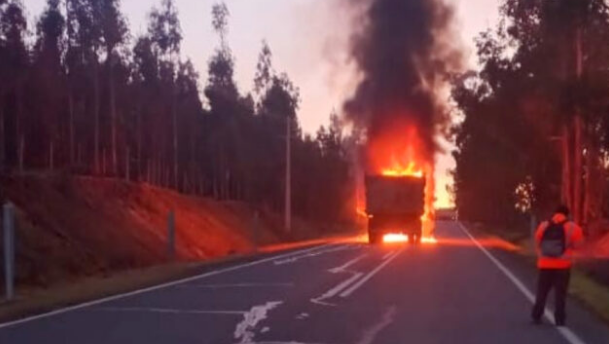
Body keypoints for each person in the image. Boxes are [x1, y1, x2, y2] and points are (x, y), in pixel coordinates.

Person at [531, 205, 584, 327]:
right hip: (563, 266)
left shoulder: (544, 225)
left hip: (545, 265)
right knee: (560, 294)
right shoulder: (573, 227)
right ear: (567, 214)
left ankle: (536, 315)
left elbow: (537, 241)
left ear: (554, 213)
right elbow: (579, 245)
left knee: (542, 292)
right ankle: (559, 320)